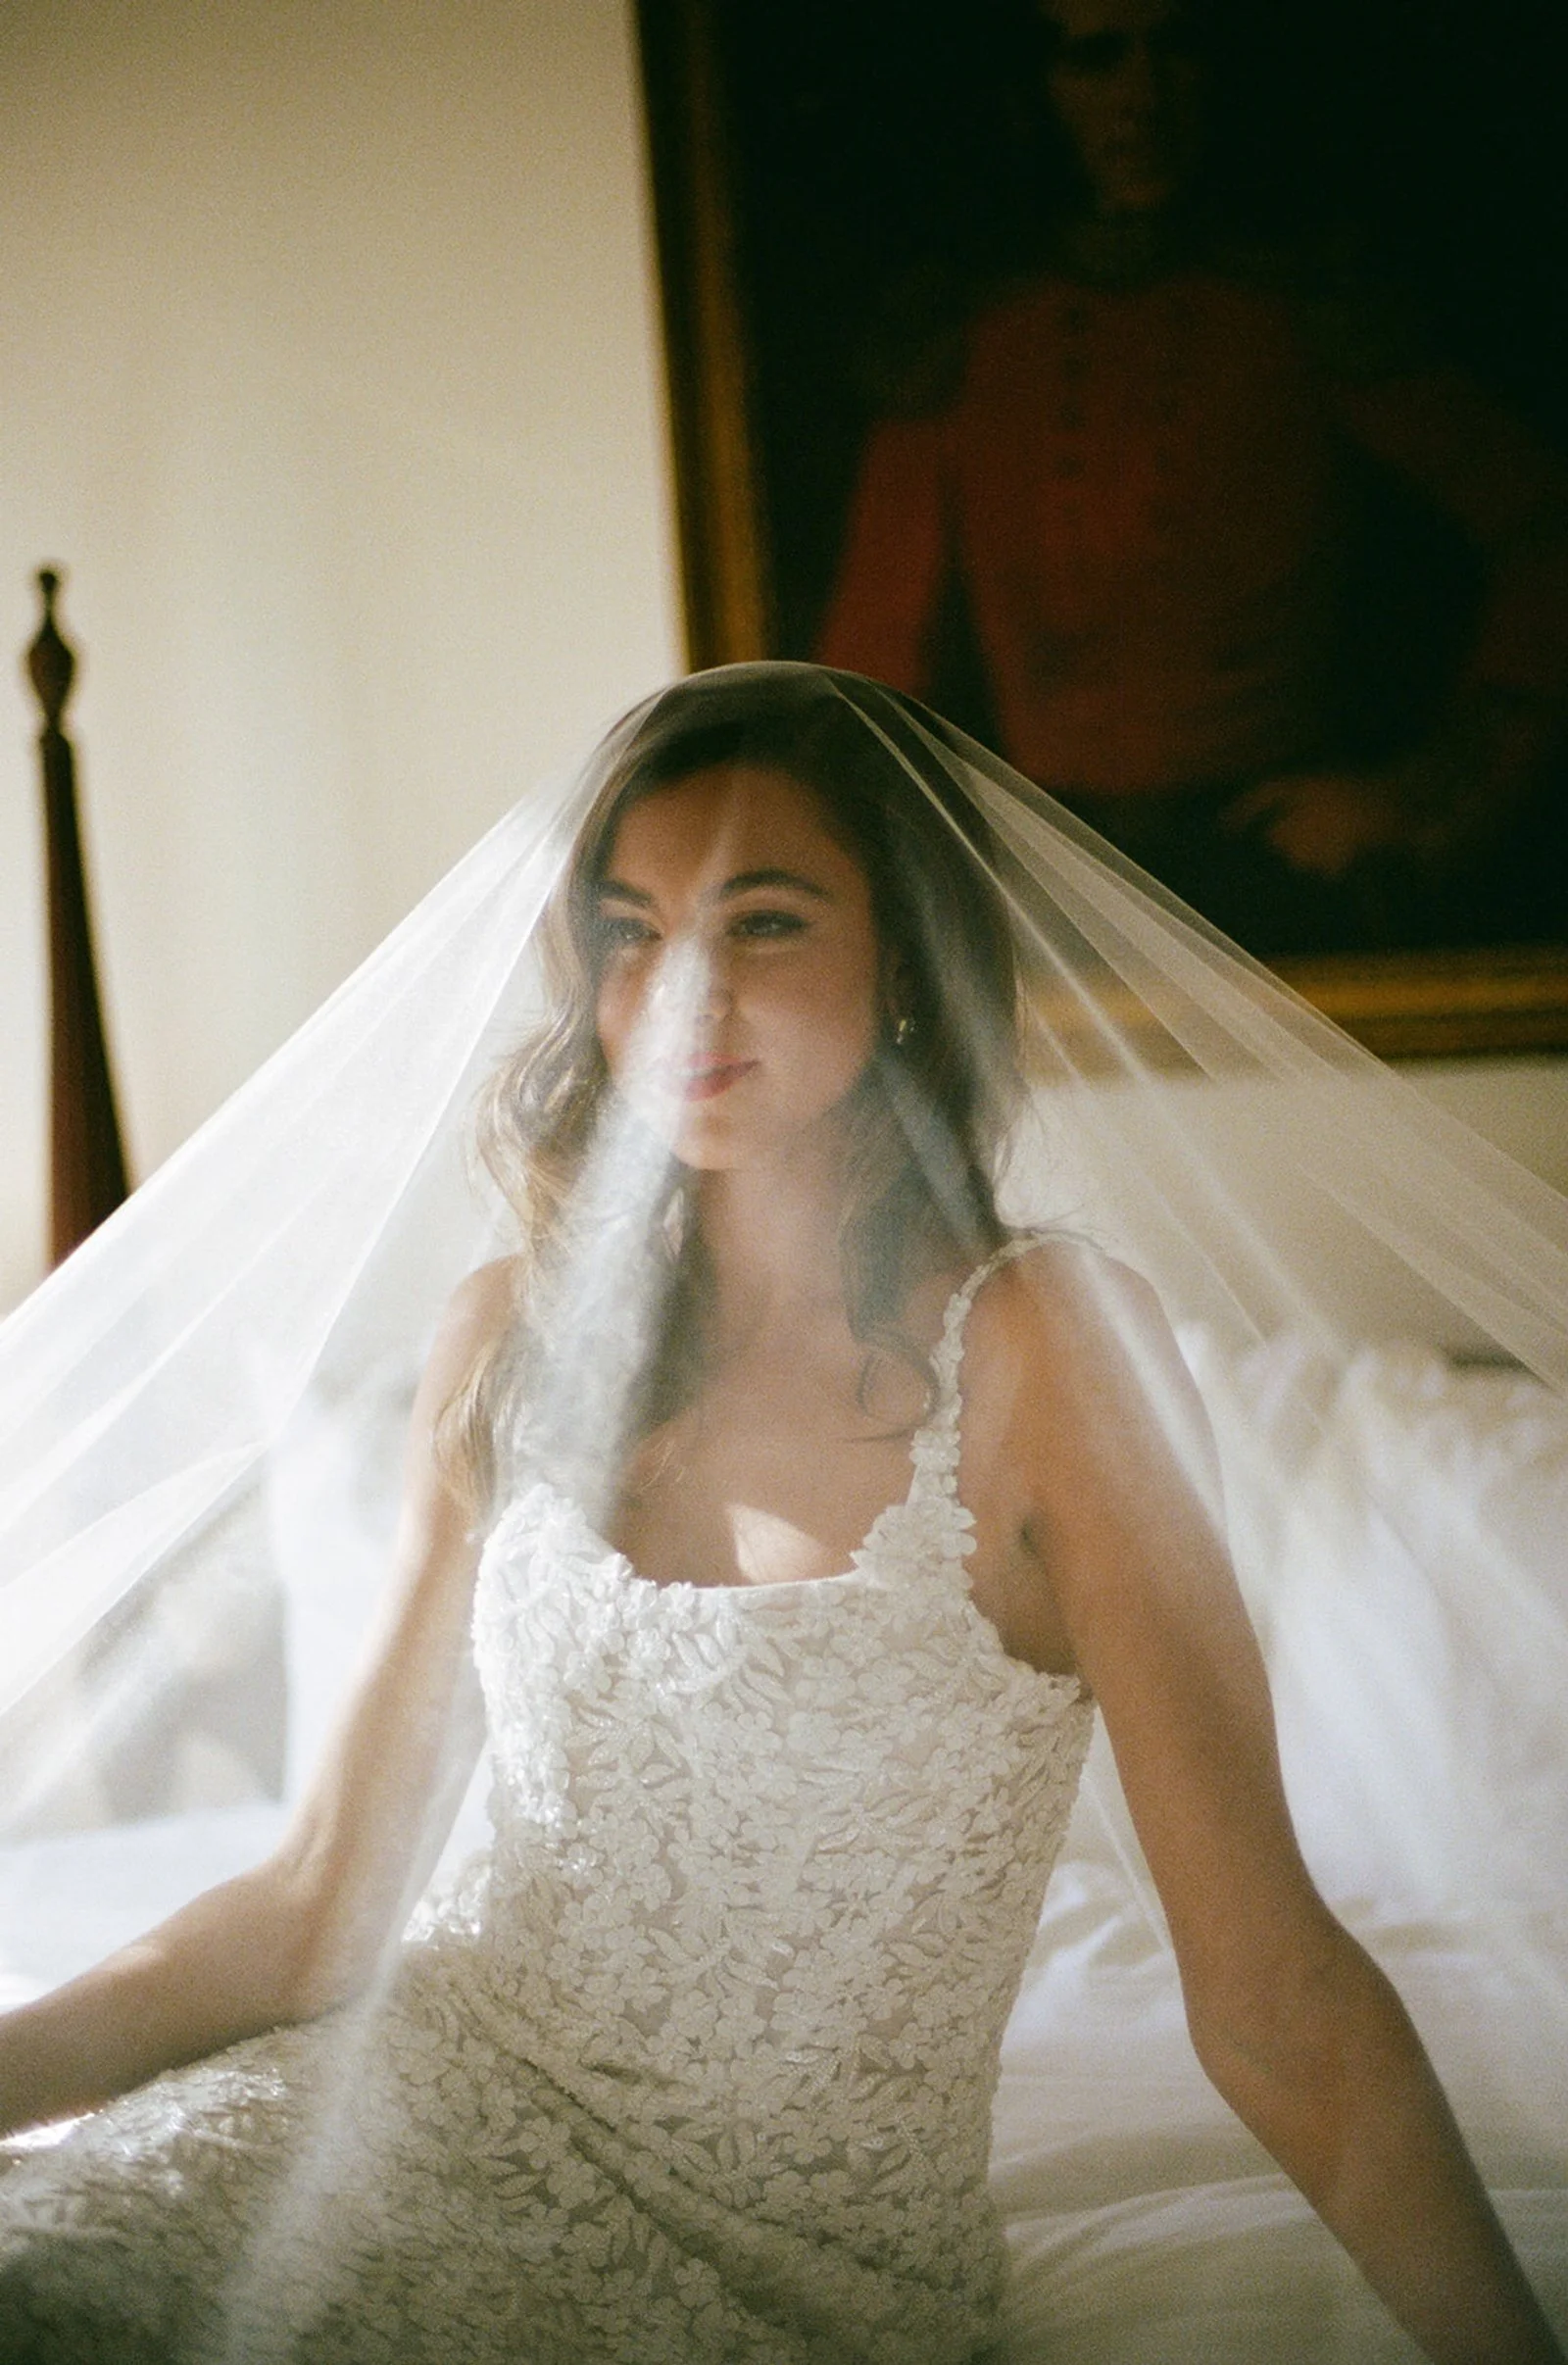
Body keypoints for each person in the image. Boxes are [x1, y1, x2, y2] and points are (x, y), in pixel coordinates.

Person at [0, 665, 1564, 2363]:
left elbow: (1274, 1996)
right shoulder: (505, 1333)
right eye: (631, 930)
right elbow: (315, 1904)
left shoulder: (1050, 1351)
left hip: (773, 2269)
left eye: (762, 921)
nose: (683, 992)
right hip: (380, 2111)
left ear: (900, 962)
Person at [817, 0, 1568, 954]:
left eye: (1176, 51)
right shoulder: (963, 345)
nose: (1141, 96)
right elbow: (869, 668)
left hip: (1277, 880)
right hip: (1041, 888)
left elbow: (1544, 531)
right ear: (1033, 92)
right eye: (1096, 60)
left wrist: (1421, 788)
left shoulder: (1301, 317)